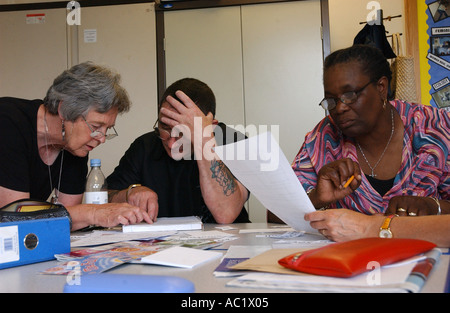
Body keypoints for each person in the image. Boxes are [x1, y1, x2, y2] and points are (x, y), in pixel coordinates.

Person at [290, 45, 450, 246]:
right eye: (331, 100)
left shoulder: (435, 128)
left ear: (381, 88)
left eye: (350, 95)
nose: (339, 108)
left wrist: (433, 207)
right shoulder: (323, 138)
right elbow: (275, 214)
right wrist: (317, 197)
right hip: (351, 264)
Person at [0, 62, 153, 231]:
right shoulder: (7, 122)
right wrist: (94, 213)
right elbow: (15, 219)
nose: (101, 139)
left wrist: (89, 215)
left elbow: (65, 221)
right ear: (64, 110)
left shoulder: (74, 146)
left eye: (107, 129)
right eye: (95, 127)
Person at [107, 78, 250, 224]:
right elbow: (102, 198)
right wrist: (129, 193)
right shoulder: (144, 146)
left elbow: (226, 214)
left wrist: (204, 140)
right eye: (165, 127)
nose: (171, 143)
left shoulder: (234, 142)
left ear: (211, 126)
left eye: (182, 133)